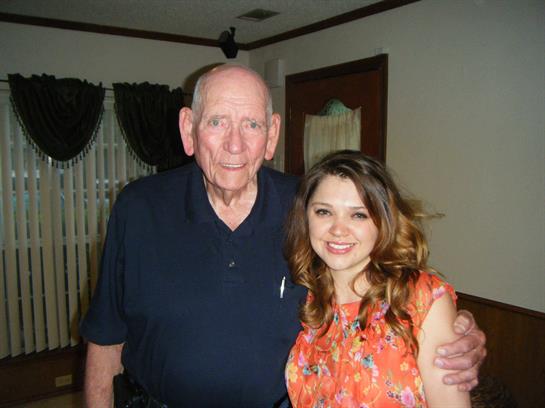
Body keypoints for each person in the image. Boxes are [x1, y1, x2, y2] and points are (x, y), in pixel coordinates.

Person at [81, 65, 485, 407]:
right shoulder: (138, 208)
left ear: (271, 134)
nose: (235, 144)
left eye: (251, 124)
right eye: (217, 122)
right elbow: (105, 339)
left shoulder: (310, 210)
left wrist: (451, 332)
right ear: (189, 129)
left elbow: (382, 287)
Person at [284, 150, 472, 407]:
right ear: (305, 217)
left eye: (358, 215)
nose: (338, 229)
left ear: (383, 221)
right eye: (324, 212)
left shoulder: (421, 299)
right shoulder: (303, 297)